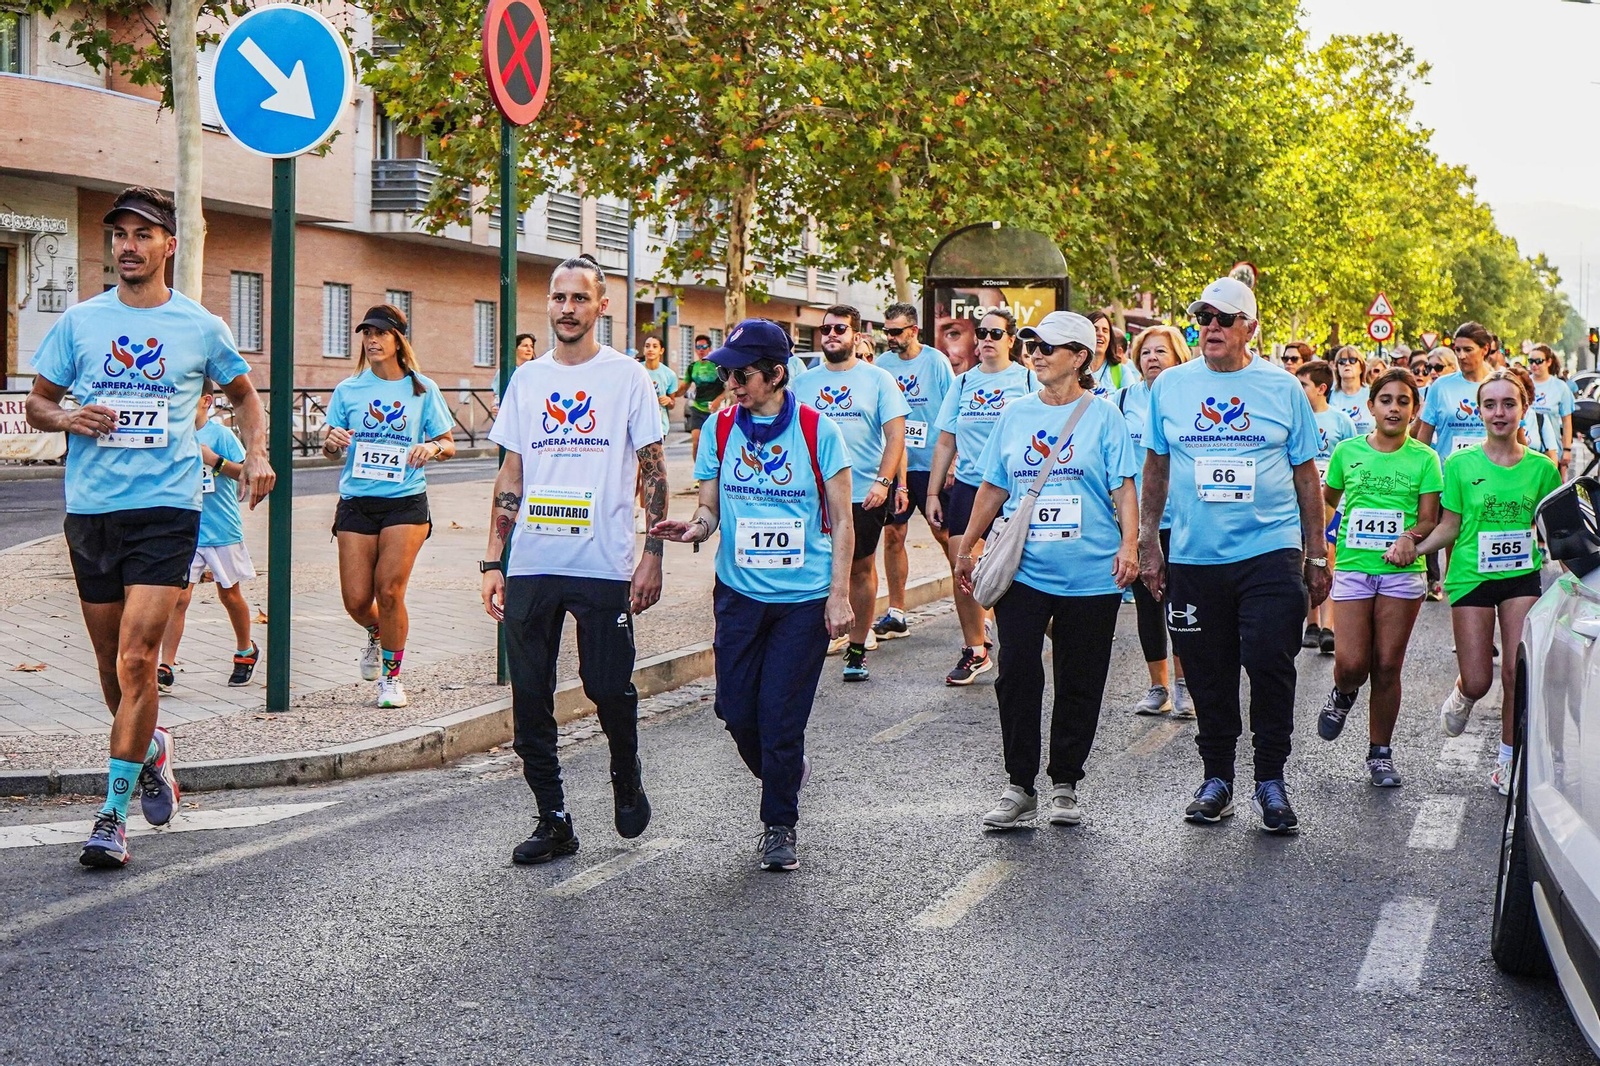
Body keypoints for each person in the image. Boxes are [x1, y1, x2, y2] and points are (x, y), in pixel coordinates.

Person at [24, 185, 274, 868]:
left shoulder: (200, 326)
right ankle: (151, 749)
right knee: (114, 670)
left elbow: (246, 396)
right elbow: (38, 403)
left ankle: (111, 816)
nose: (128, 246)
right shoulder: (81, 322)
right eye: (120, 235)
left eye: (142, 234)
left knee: (139, 660)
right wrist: (68, 417)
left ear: (169, 244)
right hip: (92, 511)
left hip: (168, 509)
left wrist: (256, 453)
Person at [482, 254, 668, 865]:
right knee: (530, 696)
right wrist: (493, 560)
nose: (567, 309)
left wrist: (653, 553)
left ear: (601, 306)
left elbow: (653, 470)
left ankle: (625, 768)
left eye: (579, 298)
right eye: (559, 298)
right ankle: (553, 818)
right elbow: (512, 473)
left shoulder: (628, 378)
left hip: (603, 561)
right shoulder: (527, 380)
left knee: (606, 685)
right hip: (533, 561)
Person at [651, 319, 854, 871]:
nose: (731, 384)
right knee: (736, 709)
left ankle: (779, 825)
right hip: (739, 593)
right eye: (727, 374)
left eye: (741, 374)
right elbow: (710, 507)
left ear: (776, 374)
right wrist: (696, 527)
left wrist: (839, 595)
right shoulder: (719, 429)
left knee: (780, 716)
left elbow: (842, 520)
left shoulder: (817, 431)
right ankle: (784, 771)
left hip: (803, 599)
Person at [1139, 276, 1328, 834]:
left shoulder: (1283, 388)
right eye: (1204, 318)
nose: (1212, 328)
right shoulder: (1171, 386)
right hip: (1195, 555)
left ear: (1251, 328)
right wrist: (1149, 541)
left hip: (1270, 550)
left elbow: (1306, 476)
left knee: (1270, 661)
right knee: (1207, 671)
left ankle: (1270, 779)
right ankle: (1217, 778)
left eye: (1224, 318)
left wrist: (1317, 555)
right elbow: (1155, 467)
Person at [953, 311, 1139, 829]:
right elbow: (994, 485)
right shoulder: (1015, 414)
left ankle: (1065, 783)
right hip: (1025, 569)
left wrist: (1130, 545)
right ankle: (1019, 785)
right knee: (1016, 673)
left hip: (1090, 572)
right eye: (1031, 345)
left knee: (1080, 678)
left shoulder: (1105, 416)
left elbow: (1123, 486)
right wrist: (967, 547)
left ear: (1079, 357)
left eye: (1047, 347)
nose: (1035, 354)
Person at [1408, 367, 1560, 795]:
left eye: (1508, 404)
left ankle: (1507, 761)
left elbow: (1555, 533)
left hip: (1520, 578)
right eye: (1490, 405)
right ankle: (1463, 694)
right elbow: (1449, 526)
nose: (1499, 413)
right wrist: (1414, 549)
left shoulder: (1542, 469)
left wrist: (1579, 579)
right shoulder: (1460, 464)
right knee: (1479, 679)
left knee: (1515, 671)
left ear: (1524, 409)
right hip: (1472, 577)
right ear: (1478, 412)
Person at [321, 304, 455, 709]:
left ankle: (391, 678)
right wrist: (331, 443)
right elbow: (330, 447)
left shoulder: (422, 389)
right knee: (357, 601)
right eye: (367, 333)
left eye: (380, 333)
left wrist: (431, 448)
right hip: (357, 502)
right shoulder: (349, 390)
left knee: (390, 590)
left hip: (405, 501)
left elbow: (448, 443)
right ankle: (378, 631)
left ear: (398, 339)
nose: (372, 340)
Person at [1316, 368, 1441, 787]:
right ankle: (1343, 692)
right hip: (1353, 567)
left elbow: (1429, 519)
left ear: (1414, 410)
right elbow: (1328, 502)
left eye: (1403, 401)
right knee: (1352, 664)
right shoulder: (1347, 451)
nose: (1394, 408)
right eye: (1386, 400)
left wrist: (1409, 538)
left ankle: (1380, 753)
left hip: (1402, 573)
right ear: (1371, 406)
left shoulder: (1425, 458)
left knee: (1387, 665)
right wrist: (1316, 548)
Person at [791, 304, 909, 682]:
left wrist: (884, 482)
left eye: (839, 329)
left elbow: (896, 437)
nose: (831, 334)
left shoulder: (878, 379)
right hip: (812, 495)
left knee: (859, 568)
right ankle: (809, 640)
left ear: (856, 336)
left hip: (862, 493)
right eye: (826, 329)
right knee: (814, 568)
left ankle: (857, 648)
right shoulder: (803, 382)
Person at [927, 309, 1037, 685]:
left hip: (1015, 488)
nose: (987, 339)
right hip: (971, 484)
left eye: (996, 333)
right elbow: (946, 440)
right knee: (963, 564)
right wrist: (933, 492)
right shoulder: (963, 383)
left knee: (1019, 569)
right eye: (982, 332)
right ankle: (975, 649)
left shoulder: (1026, 379)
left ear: (1011, 340)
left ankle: (1045, 631)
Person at [159, 383, 258, 692]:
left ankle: (245, 650)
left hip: (221, 528)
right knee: (179, 598)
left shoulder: (220, 435)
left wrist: (213, 459)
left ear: (205, 401)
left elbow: (245, 473)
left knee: (229, 595)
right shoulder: (173, 434)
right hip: (184, 529)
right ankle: (165, 665)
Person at [1117, 324, 1192, 718]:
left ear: (1178, 357)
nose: (1152, 358)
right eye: (1146, 352)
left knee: (1180, 604)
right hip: (1139, 519)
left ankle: (1184, 685)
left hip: (1182, 517)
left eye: (1161, 351)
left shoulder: (1189, 396)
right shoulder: (1123, 399)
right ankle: (1158, 686)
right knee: (1148, 604)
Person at [874, 302, 955, 641]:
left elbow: (953, 410)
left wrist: (952, 461)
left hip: (932, 464)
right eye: (887, 331)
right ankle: (897, 613)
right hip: (897, 465)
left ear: (913, 330)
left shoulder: (936, 362)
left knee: (947, 536)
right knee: (893, 535)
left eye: (896, 332)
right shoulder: (882, 365)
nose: (890, 337)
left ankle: (975, 605)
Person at [1296, 359, 1358, 655]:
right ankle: (1310, 623)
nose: (1298, 389)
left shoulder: (1341, 421)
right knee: (1303, 557)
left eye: (1303, 385)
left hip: (1332, 501)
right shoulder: (1293, 417)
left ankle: (1328, 627)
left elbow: (1353, 460)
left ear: (1321, 388)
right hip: (1297, 500)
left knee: (1326, 555)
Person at [675, 333, 724, 469]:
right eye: (698, 347)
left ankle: (717, 471)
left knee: (716, 444)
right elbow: (683, 388)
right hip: (698, 408)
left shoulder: (718, 366)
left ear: (710, 348)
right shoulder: (692, 367)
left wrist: (718, 400)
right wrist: (670, 395)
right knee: (696, 442)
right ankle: (699, 472)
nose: (701, 350)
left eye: (704, 347)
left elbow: (728, 388)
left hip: (716, 410)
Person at [1528, 344, 1574, 476]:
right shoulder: (1524, 383)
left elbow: (1567, 422)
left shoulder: (1560, 387)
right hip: (1527, 448)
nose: (1534, 365)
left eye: (1539, 361)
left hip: (1551, 450)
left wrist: (1567, 450)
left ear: (1549, 362)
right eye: (1531, 361)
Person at [1330, 345, 1375, 435]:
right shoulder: (1328, 395)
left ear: (1362, 367)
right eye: (1342, 361)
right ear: (1337, 368)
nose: (1347, 363)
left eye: (1353, 360)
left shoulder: (1373, 393)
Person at [490, 333, 538, 418]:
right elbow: (496, 395)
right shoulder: (504, 371)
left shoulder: (536, 370)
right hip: (511, 415)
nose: (529, 349)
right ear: (515, 348)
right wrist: (494, 406)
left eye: (531, 346)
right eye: (525, 346)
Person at [640, 334, 679, 439]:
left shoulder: (669, 375)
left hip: (659, 425)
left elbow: (672, 404)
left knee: (655, 450)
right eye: (647, 346)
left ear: (661, 351)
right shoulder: (636, 370)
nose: (650, 349)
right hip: (638, 423)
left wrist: (668, 401)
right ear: (643, 350)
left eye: (655, 346)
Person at [1086, 309, 1130, 397]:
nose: (1100, 334)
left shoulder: (1122, 372)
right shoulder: (1073, 371)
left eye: (1105, 330)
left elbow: (1131, 403)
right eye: (1095, 329)